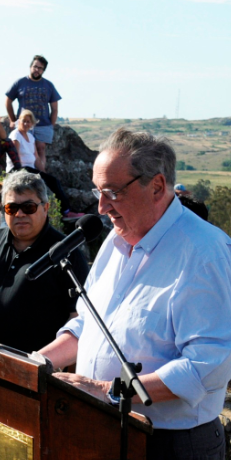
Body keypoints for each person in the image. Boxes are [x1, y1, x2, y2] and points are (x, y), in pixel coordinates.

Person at [37, 129, 231, 460]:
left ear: (156, 186)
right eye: (97, 192)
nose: (100, 207)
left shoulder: (204, 252)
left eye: (111, 192)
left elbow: (207, 365)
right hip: (102, 429)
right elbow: (89, 325)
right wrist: (34, 364)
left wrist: (105, 391)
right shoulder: (114, 242)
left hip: (169, 444)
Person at [0, 170, 88, 353]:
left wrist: (51, 364)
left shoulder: (67, 252)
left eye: (29, 207)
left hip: (34, 370)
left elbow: (78, 317)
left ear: (45, 208)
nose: (20, 214)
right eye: (12, 208)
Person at [9, 110, 85, 219]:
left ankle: (67, 210)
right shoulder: (15, 135)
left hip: (30, 168)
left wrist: (43, 173)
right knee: (50, 182)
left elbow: (36, 158)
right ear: (19, 121)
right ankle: (66, 212)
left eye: (28, 122)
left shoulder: (30, 137)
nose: (26, 124)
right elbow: (15, 157)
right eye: (23, 121)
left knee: (53, 180)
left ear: (32, 124)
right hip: (19, 169)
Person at [5, 55, 61, 170]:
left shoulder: (48, 85)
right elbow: (8, 101)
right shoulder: (20, 82)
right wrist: (12, 120)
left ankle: (41, 175)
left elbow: (54, 108)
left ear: (43, 70)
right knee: (22, 149)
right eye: (35, 66)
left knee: (40, 148)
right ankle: (21, 172)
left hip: (43, 124)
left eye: (40, 68)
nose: (37, 70)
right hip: (24, 123)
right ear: (30, 66)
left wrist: (51, 124)